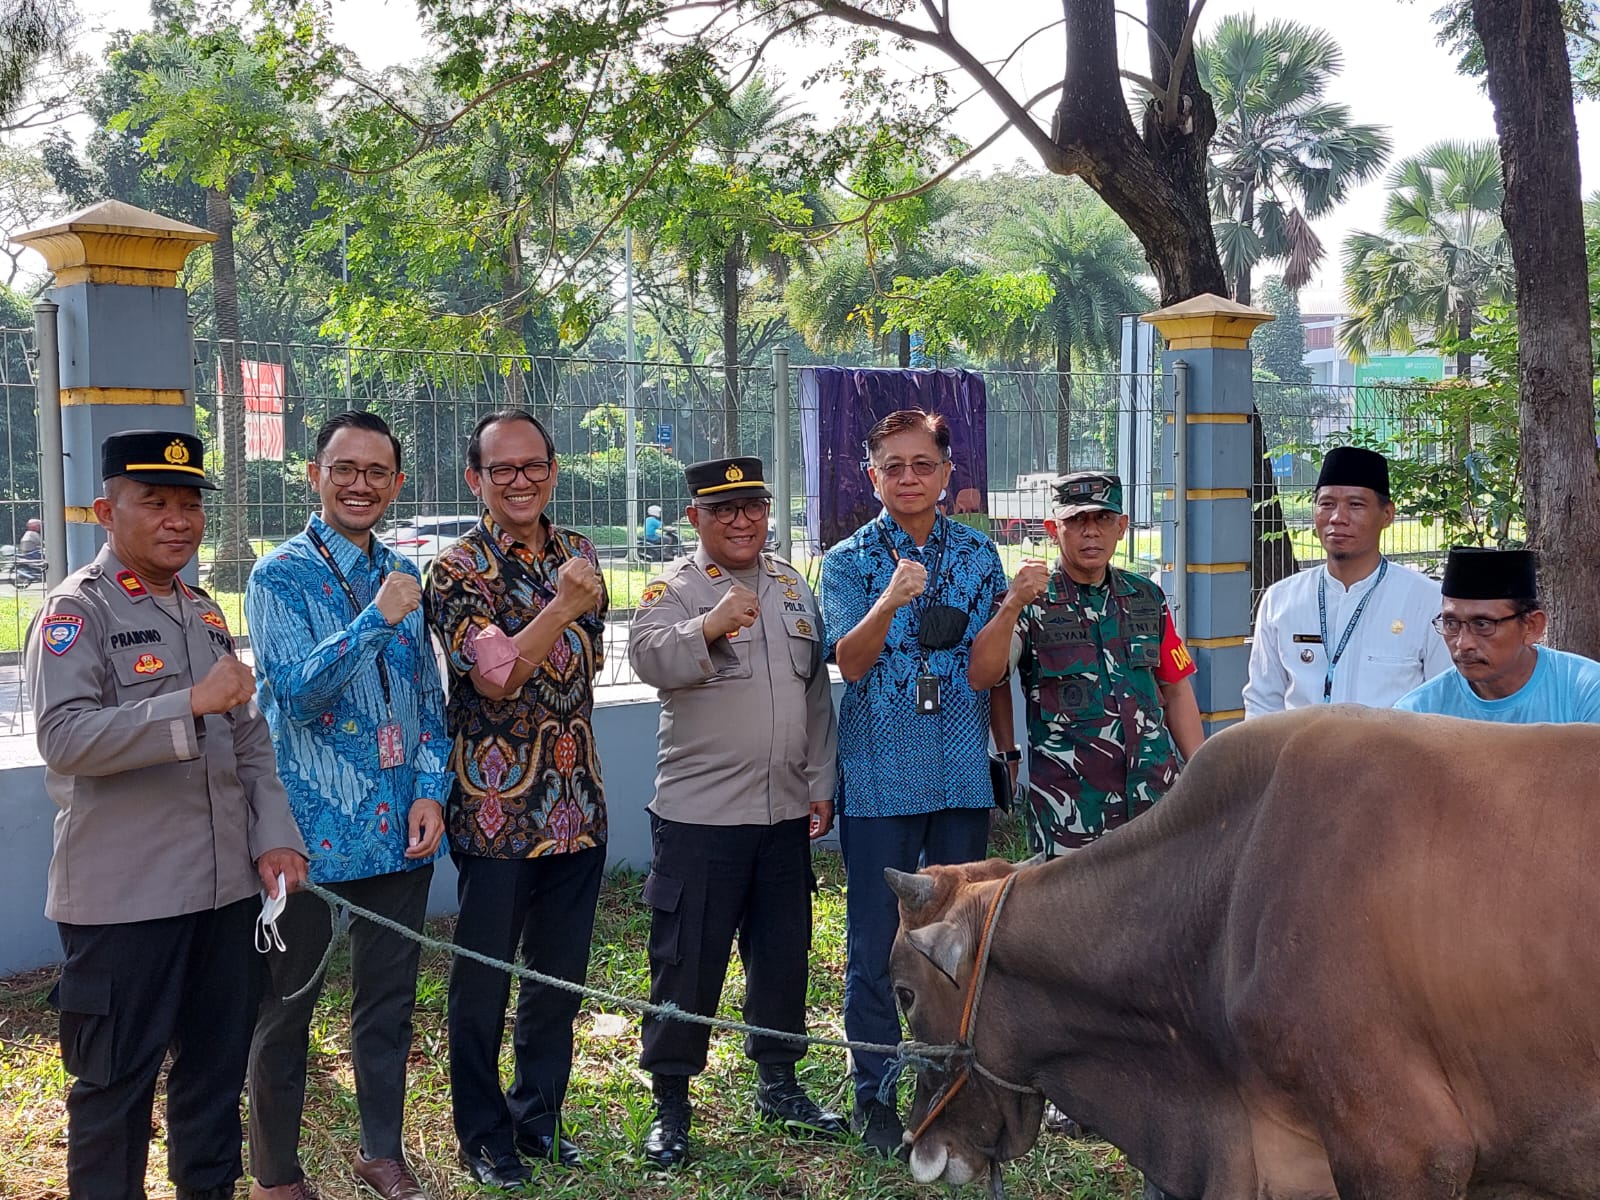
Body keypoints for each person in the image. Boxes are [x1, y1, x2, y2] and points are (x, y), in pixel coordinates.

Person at [26, 429, 307, 1200]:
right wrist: (187, 703)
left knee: (213, 1082)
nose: (178, 520)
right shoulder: (77, 613)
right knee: (115, 1090)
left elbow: (250, 743)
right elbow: (63, 738)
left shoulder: (204, 613)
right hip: (127, 902)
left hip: (222, 897)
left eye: (189, 504)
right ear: (105, 511)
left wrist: (275, 836)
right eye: (155, 502)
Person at [243, 412, 449, 1200]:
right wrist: (374, 620)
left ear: (397, 484)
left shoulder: (401, 570)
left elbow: (431, 703)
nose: (360, 484)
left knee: (388, 1006)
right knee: (286, 1010)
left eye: (376, 472)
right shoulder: (278, 577)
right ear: (314, 474)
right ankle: (276, 1175)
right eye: (344, 468)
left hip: (401, 834)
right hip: (306, 840)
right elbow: (293, 694)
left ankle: (380, 1151)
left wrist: (431, 785)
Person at [628, 456, 846, 1170]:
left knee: (783, 955)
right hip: (701, 817)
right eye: (724, 510)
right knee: (686, 962)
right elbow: (649, 658)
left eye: (752, 505)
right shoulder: (677, 588)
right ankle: (670, 1104)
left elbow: (814, 692)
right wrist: (710, 626)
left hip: (783, 813)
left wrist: (820, 780)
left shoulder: (790, 585)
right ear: (696, 518)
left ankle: (779, 1083)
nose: (743, 520)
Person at [817, 408, 1012, 1156]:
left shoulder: (977, 555)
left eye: (921, 464)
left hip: (961, 775)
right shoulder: (848, 560)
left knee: (961, 941)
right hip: (879, 781)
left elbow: (989, 671)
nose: (907, 477)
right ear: (872, 477)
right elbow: (853, 662)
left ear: (945, 474)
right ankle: (874, 1097)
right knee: (876, 945)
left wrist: (1007, 753)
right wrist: (890, 599)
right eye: (891, 466)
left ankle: (959, 1087)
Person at [423, 409, 609, 1189]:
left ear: (553, 470)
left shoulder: (580, 552)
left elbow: (582, 666)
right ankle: (483, 1133)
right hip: (495, 809)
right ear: (476, 479)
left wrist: (564, 605)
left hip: (577, 801)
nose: (521, 480)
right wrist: (560, 608)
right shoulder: (456, 571)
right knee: (485, 981)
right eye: (503, 469)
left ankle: (539, 1117)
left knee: (556, 982)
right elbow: (496, 677)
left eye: (534, 466)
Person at [969, 471, 1204, 856]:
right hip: (1073, 813)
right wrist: (1013, 602)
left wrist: (1200, 772)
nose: (1091, 532)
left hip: (1154, 799)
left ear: (1122, 527)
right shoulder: (1031, 603)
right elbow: (983, 675)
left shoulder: (1146, 597)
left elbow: (1175, 689)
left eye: (1103, 519)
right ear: (1052, 529)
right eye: (1076, 521)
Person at [1243, 446, 1450, 716]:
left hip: (1392, 756)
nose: (1338, 518)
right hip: (1300, 755)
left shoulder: (1427, 600)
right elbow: (1263, 703)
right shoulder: (1281, 600)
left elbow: (1443, 703)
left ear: (1387, 514)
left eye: (1356, 505)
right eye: (1327, 504)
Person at [1395, 547, 1600, 723]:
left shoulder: (1587, 694)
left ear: (1531, 626)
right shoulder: (1419, 713)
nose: (1463, 643)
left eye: (1482, 624)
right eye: (1451, 623)